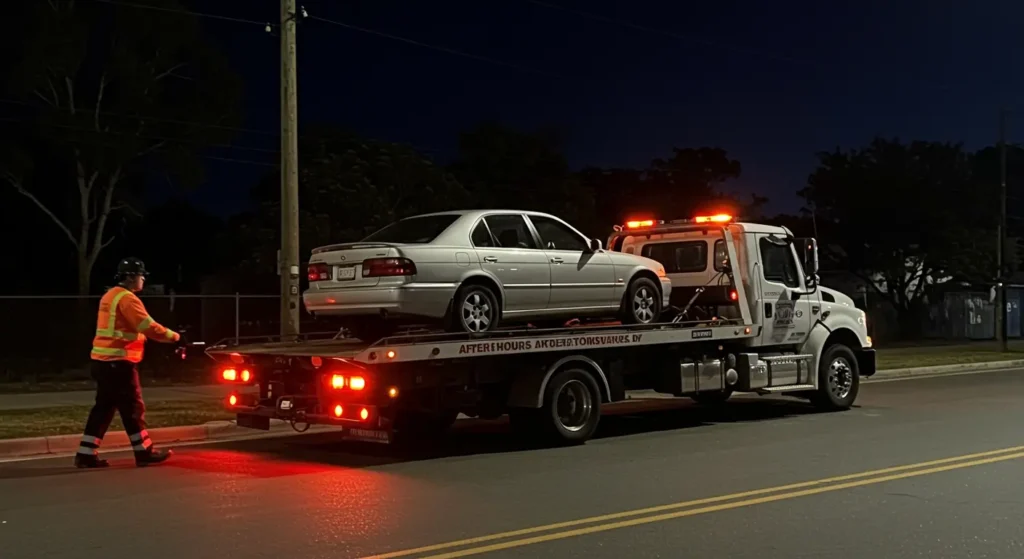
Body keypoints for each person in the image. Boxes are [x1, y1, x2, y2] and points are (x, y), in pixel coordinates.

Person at [75, 258, 179, 468]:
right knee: (132, 408)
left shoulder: (110, 295)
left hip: (103, 362)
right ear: (131, 277)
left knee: (103, 409)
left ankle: (86, 454)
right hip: (119, 363)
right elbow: (148, 327)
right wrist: (176, 338)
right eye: (141, 276)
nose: (143, 280)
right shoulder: (128, 299)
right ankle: (144, 452)